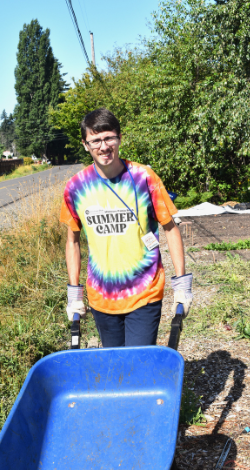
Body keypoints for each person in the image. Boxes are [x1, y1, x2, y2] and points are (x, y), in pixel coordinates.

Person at [61, 108, 192, 348]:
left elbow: (170, 229)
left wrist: (182, 284)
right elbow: (72, 241)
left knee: (138, 366)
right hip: (102, 296)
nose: (103, 146)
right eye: (95, 140)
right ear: (85, 145)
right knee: (117, 367)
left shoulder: (144, 178)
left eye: (109, 138)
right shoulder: (75, 187)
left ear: (120, 138)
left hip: (145, 291)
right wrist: (74, 294)